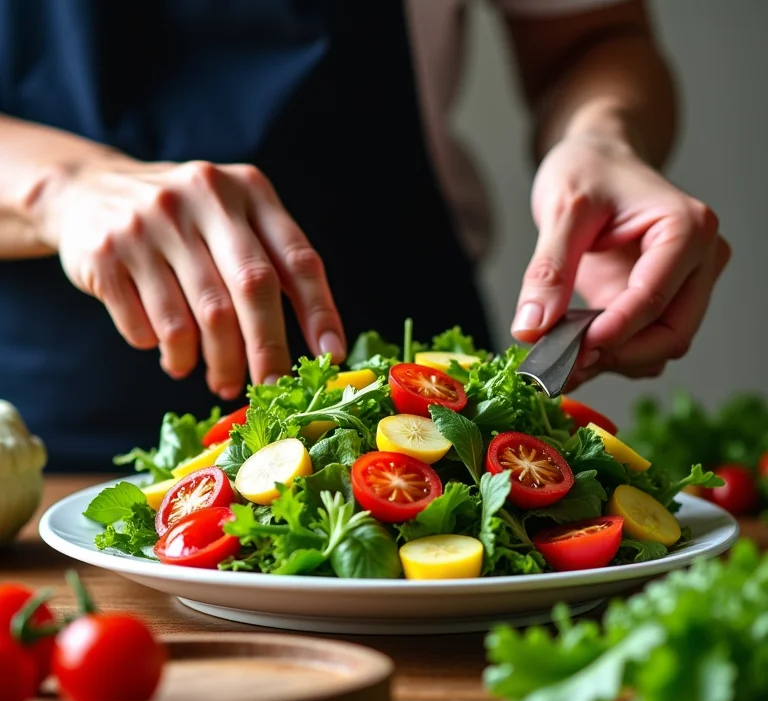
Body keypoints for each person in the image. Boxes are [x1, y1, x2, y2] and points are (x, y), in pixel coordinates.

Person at [0, 0, 729, 471]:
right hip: (30, 451)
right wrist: (54, 188)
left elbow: (594, 37)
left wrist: (601, 139)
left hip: (434, 417)